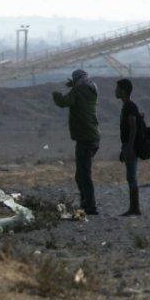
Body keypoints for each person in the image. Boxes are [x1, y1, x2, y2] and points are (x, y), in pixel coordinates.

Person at [52, 69, 101, 215]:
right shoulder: (92, 89)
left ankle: (90, 206)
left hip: (85, 138)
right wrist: (74, 86)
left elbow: (63, 102)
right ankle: (86, 203)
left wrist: (55, 94)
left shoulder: (77, 92)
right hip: (94, 137)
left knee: (83, 175)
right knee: (82, 175)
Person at [115, 78, 141, 216]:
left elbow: (133, 126)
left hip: (131, 147)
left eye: (118, 89)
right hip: (127, 146)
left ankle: (134, 208)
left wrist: (130, 148)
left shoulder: (129, 107)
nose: (115, 91)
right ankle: (133, 208)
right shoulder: (127, 106)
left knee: (132, 177)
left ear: (123, 91)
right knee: (130, 176)